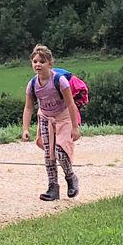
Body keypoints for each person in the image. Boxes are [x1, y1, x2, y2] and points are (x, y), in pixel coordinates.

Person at [21, 44, 83, 198]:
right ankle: (53, 187)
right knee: (49, 155)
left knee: (61, 152)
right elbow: (28, 107)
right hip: (45, 118)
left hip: (64, 118)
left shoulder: (60, 81)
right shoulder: (32, 84)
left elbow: (70, 104)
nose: (38, 64)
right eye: (35, 61)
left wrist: (75, 128)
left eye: (42, 61)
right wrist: (25, 128)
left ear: (50, 63)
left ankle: (71, 178)